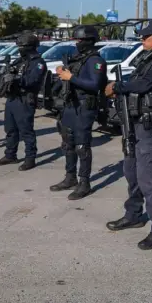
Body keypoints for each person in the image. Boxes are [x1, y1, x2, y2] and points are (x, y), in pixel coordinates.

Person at [104, 20, 152, 251]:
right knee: (131, 171)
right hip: (134, 122)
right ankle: (133, 214)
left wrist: (117, 87)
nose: (142, 41)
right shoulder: (147, 58)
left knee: (148, 176)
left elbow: (143, 85)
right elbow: (136, 81)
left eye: (145, 37)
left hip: (148, 125)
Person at [50, 25, 107, 200]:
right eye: (76, 40)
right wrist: (62, 74)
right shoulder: (77, 59)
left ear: (89, 41)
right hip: (69, 106)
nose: (77, 43)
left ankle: (84, 183)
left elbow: (95, 85)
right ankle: (70, 177)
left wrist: (71, 78)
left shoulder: (95, 61)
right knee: (68, 144)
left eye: (80, 40)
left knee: (82, 146)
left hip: (84, 107)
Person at [0, 33, 47, 171]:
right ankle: (10, 155)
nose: (19, 49)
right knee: (10, 129)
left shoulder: (38, 63)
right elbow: (11, 72)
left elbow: (32, 81)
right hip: (13, 98)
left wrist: (16, 78)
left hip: (24, 100)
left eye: (21, 46)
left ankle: (30, 158)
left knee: (26, 131)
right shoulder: (19, 60)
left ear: (29, 47)